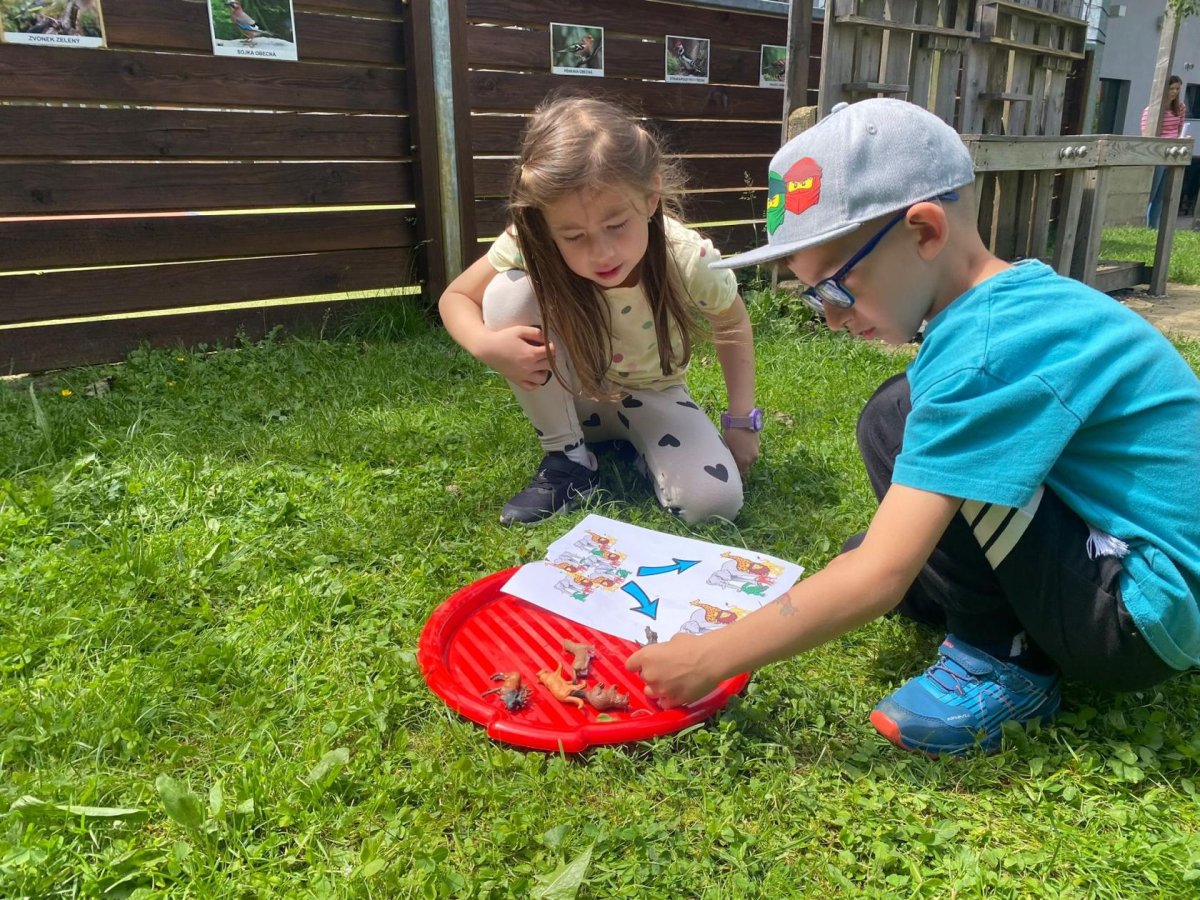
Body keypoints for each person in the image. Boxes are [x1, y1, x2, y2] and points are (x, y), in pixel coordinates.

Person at [627, 98, 1200, 756]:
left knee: (901, 436)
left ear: (924, 231)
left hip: (1135, 616)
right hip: (1132, 570)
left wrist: (709, 657)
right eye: (812, 296)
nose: (830, 318)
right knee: (896, 412)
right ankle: (972, 591)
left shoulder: (986, 355)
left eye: (834, 288)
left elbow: (878, 577)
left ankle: (1003, 660)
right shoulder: (1013, 305)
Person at [439, 97, 760, 526]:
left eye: (616, 226)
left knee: (714, 504)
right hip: (570, 399)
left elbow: (732, 321)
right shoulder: (530, 240)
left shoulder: (686, 257)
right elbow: (456, 297)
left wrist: (741, 421)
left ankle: (640, 449)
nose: (602, 253)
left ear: (650, 198)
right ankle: (568, 458)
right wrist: (484, 344)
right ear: (545, 224)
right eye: (574, 236)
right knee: (507, 293)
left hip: (654, 395)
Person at [1141, 75, 1188, 229]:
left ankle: (1153, 228)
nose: (1174, 92)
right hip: (1159, 153)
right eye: (1171, 88)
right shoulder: (1151, 110)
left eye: (1177, 89)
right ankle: (1142, 226)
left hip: (1174, 153)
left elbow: (1179, 129)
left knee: (1161, 196)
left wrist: (1183, 138)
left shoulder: (1180, 108)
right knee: (1152, 192)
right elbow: (1146, 133)